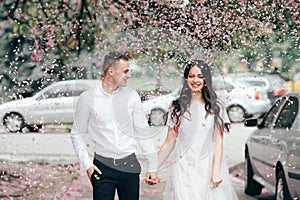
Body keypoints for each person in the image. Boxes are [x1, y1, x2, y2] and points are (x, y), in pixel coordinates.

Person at [70, 51, 160, 200]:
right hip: (102, 168)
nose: (129, 75)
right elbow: (76, 134)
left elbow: (142, 133)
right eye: (125, 71)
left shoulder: (132, 96)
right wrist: (87, 165)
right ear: (111, 71)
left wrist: (153, 166)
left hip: (129, 165)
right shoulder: (87, 98)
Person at [158, 60, 238, 199]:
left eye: (200, 77)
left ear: (206, 79)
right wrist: (154, 167)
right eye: (191, 76)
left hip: (206, 167)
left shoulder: (216, 106)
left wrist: (216, 171)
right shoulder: (177, 107)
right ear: (186, 79)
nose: (195, 80)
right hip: (183, 167)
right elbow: (170, 140)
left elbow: (218, 142)